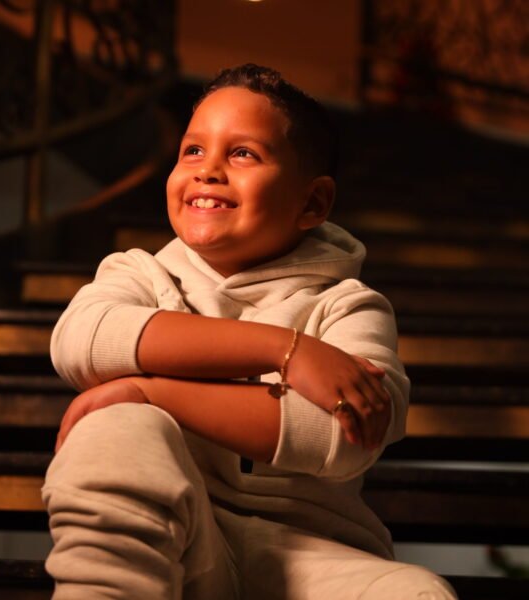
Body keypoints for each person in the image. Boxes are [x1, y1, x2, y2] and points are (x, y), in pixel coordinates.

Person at [42, 64, 457, 599]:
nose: (208, 170)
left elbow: (343, 433)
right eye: (193, 150)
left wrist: (149, 391)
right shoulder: (138, 273)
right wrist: (286, 351)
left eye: (243, 153)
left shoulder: (348, 306)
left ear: (313, 203)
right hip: (174, 547)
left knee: (418, 593)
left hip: (309, 557)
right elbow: (84, 340)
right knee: (116, 424)